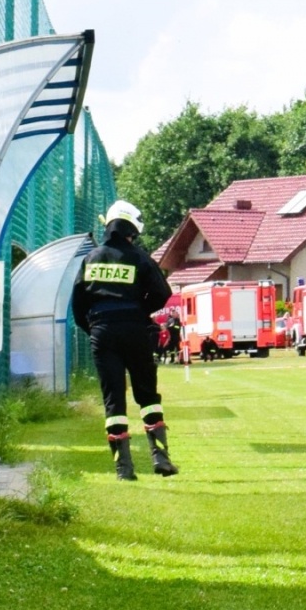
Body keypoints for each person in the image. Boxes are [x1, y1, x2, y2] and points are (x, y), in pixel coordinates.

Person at [70, 200, 177, 481]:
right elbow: (162, 292)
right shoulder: (139, 258)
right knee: (148, 396)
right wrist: (141, 311)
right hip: (135, 331)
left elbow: (78, 304)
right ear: (133, 228)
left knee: (113, 401)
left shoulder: (90, 259)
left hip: (101, 332)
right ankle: (161, 458)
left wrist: (93, 328)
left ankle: (124, 469)